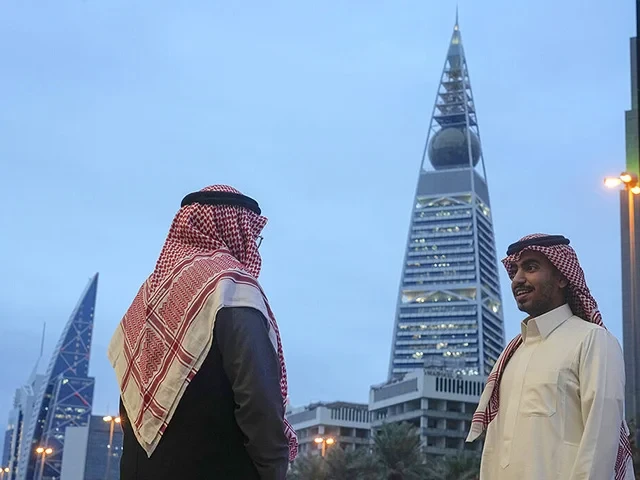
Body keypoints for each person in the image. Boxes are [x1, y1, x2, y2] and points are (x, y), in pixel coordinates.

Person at [108, 185, 298, 480]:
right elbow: (258, 401)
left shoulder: (147, 296)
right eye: (253, 236)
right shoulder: (231, 288)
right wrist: (273, 470)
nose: (253, 245)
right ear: (236, 229)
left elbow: (128, 408)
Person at [466, 233, 634, 480]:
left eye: (531, 267)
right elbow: (493, 449)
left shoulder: (592, 340)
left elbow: (600, 445)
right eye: (515, 270)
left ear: (562, 277)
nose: (518, 279)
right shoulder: (510, 356)